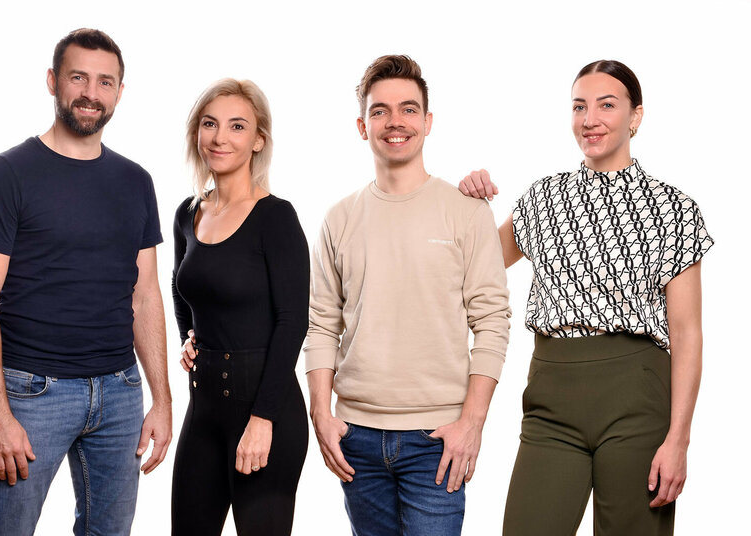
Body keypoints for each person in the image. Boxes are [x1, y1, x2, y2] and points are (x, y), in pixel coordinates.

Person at [460, 60, 712, 535]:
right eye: (579, 106)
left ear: (636, 116)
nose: (589, 118)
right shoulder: (543, 198)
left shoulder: (674, 208)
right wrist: (468, 206)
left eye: (606, 105)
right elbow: (472, 267)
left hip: (637, 393)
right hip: (552, 395)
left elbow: (686, 332)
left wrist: (679, 438)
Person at [0, 28, 172, 536]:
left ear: (120, 91)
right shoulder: (8, 174)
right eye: (79, 77)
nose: (90, 93)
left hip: (120, 393)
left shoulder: (136, 181)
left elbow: (145, 295)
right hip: (33, 393)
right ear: (53, 81)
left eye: (105, 82)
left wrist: (161, 400)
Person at [305, 55, 511, 536]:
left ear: (427, 121)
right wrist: (321, 412)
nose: (395, 122)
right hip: (356, 438)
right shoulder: (339, 217)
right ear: (362, 125)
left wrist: (472, 423)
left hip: (437, 439)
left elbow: (493, 322)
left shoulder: (466, 210)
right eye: (380, 111)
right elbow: (320, 324)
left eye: (408, 110)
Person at [171, 79, 310, 536]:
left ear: (257, 140)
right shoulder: (188, 213)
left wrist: (262, 419)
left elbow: (293, 322)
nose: (220, 137)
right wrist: (188, 337)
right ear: (197, 133)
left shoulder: (276, 217)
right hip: (204, 409)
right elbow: (182, 288)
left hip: (266, 409)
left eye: (236, 126)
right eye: (210, 124)